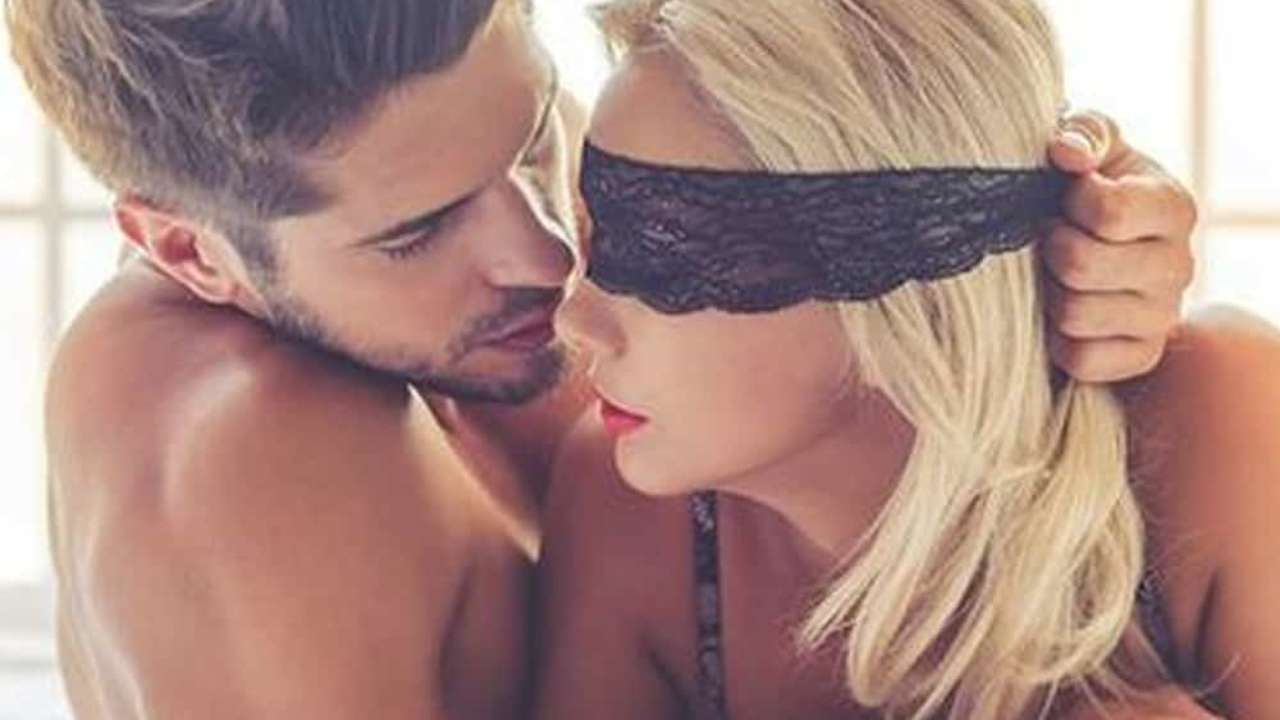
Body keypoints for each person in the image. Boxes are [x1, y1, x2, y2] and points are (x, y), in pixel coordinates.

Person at [6, 0, 1195, 716]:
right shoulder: (247, 455)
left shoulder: (487, 334)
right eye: (419, 232)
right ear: (189, 252)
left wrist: (1013, 229)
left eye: (534, 138)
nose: (546, 254)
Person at [537, 0, 1277, 717]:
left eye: (657, 248)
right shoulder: (623, 505)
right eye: (597, 236)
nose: (575, 320)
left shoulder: (1216, 426)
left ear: (893, 276)